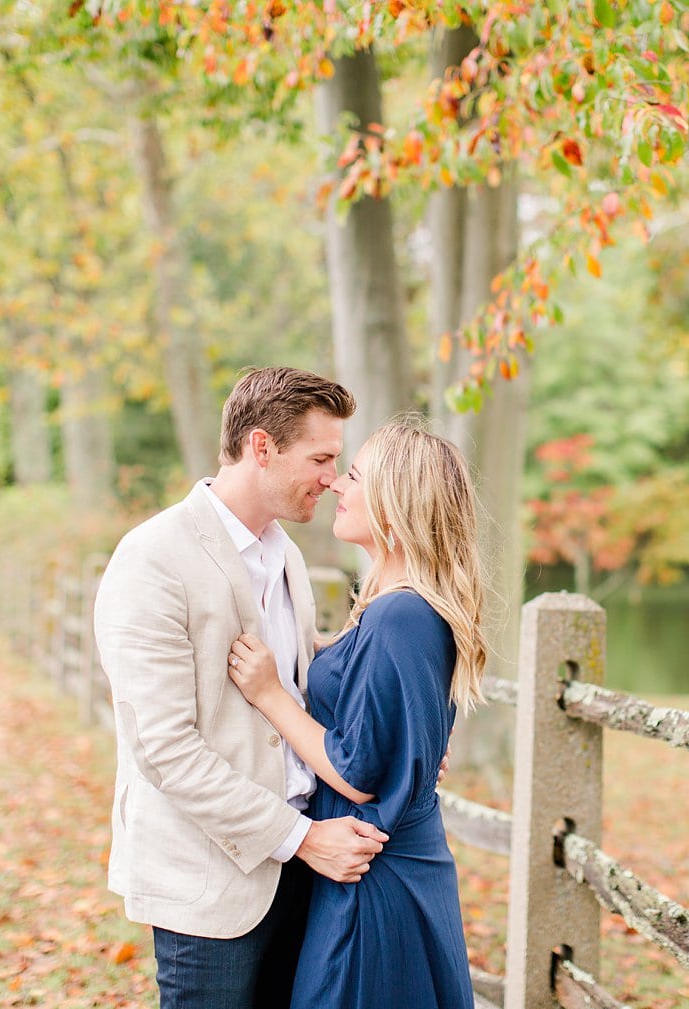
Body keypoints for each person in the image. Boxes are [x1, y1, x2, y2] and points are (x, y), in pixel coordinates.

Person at [93, 367, 390, 1009]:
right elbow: (165, 749)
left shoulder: (286, 555)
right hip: (211, 882)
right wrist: (302, 838)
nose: (333, 479)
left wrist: (404, 733)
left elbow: (305, 687)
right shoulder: (152, 559)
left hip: (303, 877)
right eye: (321, 458)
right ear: (263, 448)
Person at [227, 418, 486, 1009]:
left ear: (395, 504)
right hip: (379, 864)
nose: (339, 485)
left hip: (373, 875)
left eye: (356, 475)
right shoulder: (394, 610)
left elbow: (359, 772)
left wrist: (268, 692)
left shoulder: (400, 617)